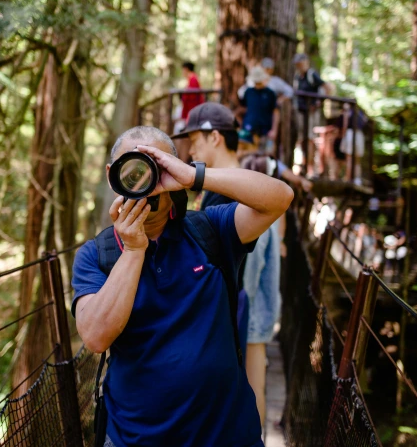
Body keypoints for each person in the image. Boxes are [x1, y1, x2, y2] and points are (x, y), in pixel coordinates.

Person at [72, 124, 294, 447]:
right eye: (131, 170)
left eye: (155, 166)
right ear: (112, 175)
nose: (143, 180)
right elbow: (94, 336)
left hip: (228, 436)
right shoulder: (96, 255)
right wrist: (134, 251)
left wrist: (194, 176)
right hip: (136, 440)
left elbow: (280, 198)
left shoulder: (210, 230)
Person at [179, 104, 288, 432]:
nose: (191, 148)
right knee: (253, 382)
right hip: (253, 312)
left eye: (195, 139)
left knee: (247, 389)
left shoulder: (231, 197)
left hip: (242, 312)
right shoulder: (240, 189)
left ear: (215, 137)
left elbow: (238, 279)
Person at [293, 54, 329, 176]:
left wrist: (318, 103)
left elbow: (327, 87)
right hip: (301, 112)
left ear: (305, 62)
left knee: (310, 139)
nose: (298, 66)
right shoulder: (298, 77)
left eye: (300, 63)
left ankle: (311, 168)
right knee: (302, 139)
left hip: (311, 113)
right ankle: (303, 165)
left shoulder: (312, 75)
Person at [240, 66, 279, 153]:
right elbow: (243, 108)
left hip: (265, 131)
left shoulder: (270, 93)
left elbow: (275, 112)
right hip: (248, 130)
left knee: (265, 156)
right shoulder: (248, 92)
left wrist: (274, 130)